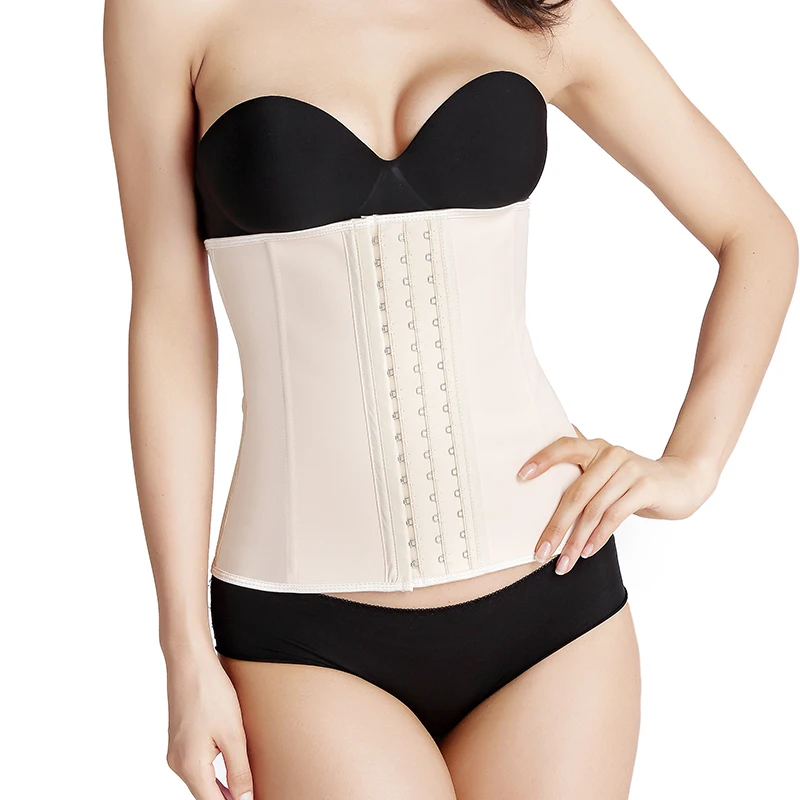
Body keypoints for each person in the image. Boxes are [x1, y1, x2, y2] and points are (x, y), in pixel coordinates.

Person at [103, 0, 797, 797]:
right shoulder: (167, 14)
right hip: (303, 632)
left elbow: (757, 234)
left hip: (554, 609)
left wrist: (693, 466)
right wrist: (183, 648)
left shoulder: (545, 11)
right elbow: (169, 319)